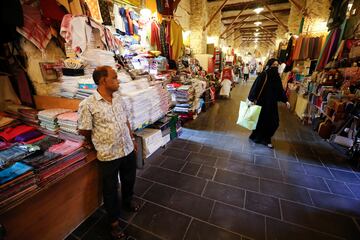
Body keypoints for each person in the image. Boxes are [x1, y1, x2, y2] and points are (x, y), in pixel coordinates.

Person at [78, 66, 139, 239]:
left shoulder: (119, 99)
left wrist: (132, 139)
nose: (118, 80)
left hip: (126, 148)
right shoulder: (88, 104)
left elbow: (126, 119)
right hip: (108, 154)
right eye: (115, 77)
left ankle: (128, 200)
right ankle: (113, 223)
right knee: (110, 189)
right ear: (103, 80)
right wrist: (96, 143)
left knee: (129, 178)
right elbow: (85, 130)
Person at [247, 59, 290, 148]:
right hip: (261, 103)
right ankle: (262, 138)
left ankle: (265, 137)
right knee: (260, 121)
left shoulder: (277, 77)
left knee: (274, 122)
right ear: (269, 65)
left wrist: (285, 100)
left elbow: (280, 90)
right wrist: (251, 99)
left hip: (272, 104)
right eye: (273, 65)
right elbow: (256, 86)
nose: (275, 66)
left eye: (277, 65)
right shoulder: (264, 75)